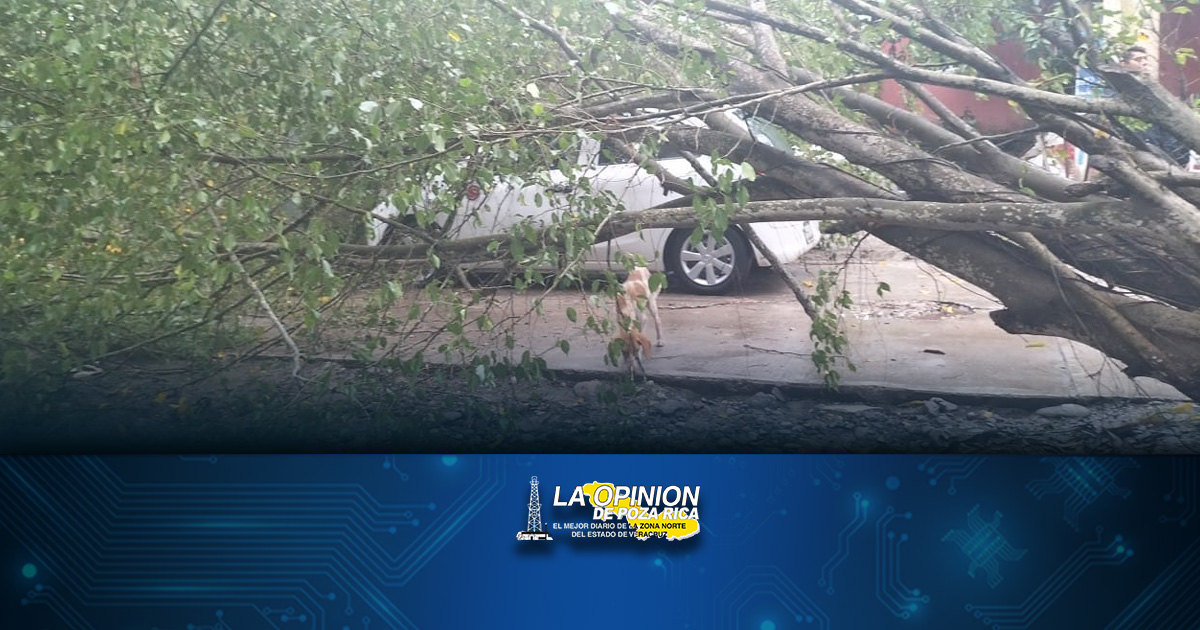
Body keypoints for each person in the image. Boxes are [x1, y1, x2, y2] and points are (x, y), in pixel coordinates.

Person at [1120, 46, 1192, 166]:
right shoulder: (1119, 91)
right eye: (1138, 60)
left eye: (1145, 59)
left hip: (1165, 157)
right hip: (1135, 155)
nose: (1144, 63)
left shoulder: (1155, 91)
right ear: (1123, 64)